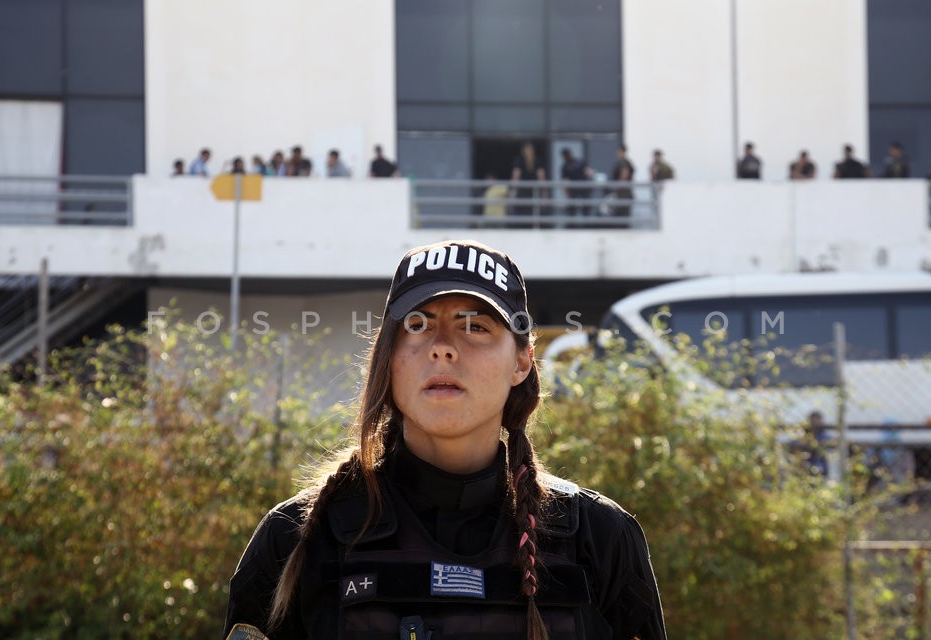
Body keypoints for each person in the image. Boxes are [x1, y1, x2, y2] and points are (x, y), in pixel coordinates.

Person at [224, 239, 668, 640]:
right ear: (389, 357)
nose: (443, 348)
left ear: (522, 362)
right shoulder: (298, 537)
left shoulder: (599, 537)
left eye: (475, 327)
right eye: (417, 325)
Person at [510, 142, 547, 226]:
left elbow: (516, 177)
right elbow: (541, 178)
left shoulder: (519, 160)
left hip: (522, 191)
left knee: (522, 214)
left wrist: (512, 192)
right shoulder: (537, 160)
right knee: (533, 213)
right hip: (533, 192)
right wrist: (544, 193)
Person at [560, 148, 594, 218]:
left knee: (585, 207)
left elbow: (589, 172)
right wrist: (567, 193)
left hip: (582, 187)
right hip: (575, 189)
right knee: (573, 208)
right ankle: (574, 224)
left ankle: (585, 222)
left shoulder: (578, 162)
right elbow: (564, 181)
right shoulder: (566, 166)